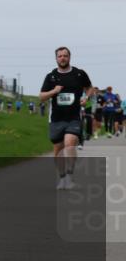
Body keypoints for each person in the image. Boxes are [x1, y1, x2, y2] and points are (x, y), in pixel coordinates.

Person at [39, 47, 94, 190]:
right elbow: (42, 97)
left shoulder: (79, 74)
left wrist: (86, 97)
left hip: (73, 117)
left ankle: (70, 176)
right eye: (60, 56)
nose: (62, 58)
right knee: (58, 150)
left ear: (70, 57)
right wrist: (54, 91)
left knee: (70, 144)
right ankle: (62, 177)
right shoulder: (51, 76)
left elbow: (89, 88)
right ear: (56, 58)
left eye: (65, 56)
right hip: (56, 119)